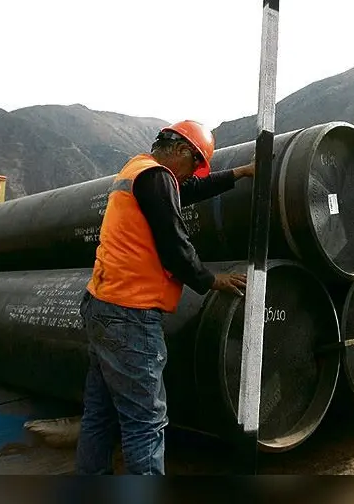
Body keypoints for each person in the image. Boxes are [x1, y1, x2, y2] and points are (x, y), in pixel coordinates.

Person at [75, 119, 253, 475]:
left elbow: (190, 190)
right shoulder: (156, 177)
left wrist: (241, 173)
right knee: (145, 421)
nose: (191, 175)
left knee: (100, 414)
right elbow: (174, 246)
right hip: (130, 314)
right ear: (183, 151)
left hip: (101, 305)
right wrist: (210, 280)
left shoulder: (138, 171)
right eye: (194, 165)